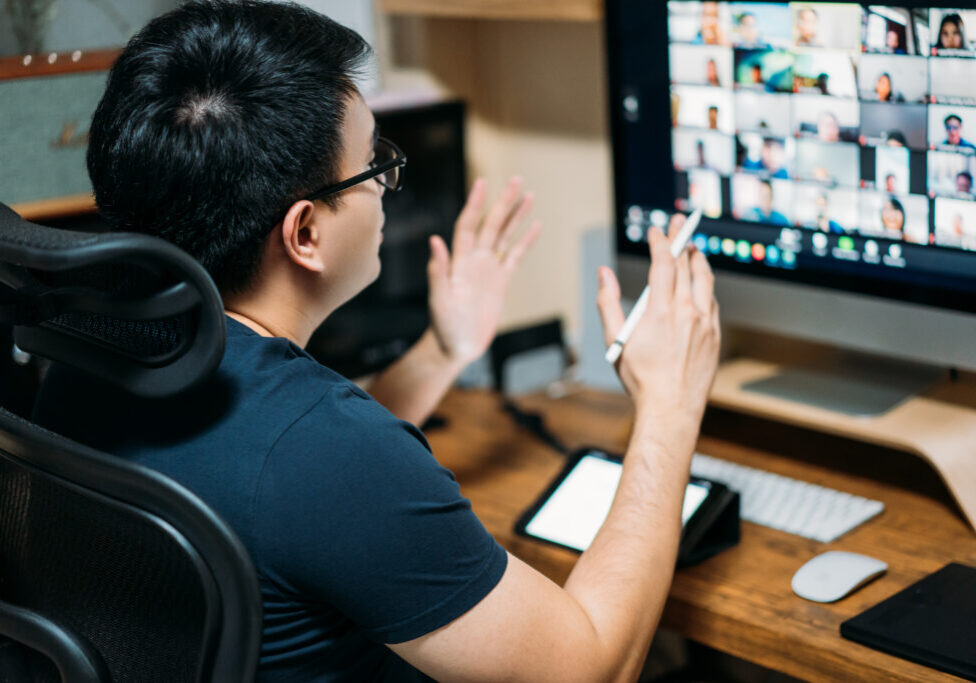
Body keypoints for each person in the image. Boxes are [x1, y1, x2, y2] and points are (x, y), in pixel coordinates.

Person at [32, 2, 722, 682]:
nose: (389, 187)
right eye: (373, 166)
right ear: (305, 233)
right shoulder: (326, 455)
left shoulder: (80, 355)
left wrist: (443, 351)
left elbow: (277, 468)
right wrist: (669, 401)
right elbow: (591, 666)